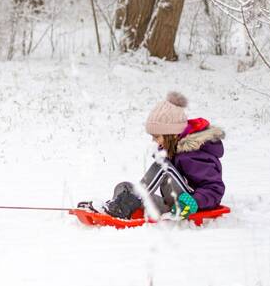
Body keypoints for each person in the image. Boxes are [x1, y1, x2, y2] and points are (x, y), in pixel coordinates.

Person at [81, 92, 226, 220]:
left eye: (157, 136)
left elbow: (215, 188)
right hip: (175, 204)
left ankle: (123, 206)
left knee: (164, 167)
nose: (153, 140)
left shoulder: (194, 154)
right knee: (125, 187)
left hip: (190, 204)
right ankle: (113, 206)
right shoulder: (173, 149)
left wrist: (194, 202)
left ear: (173, 134)